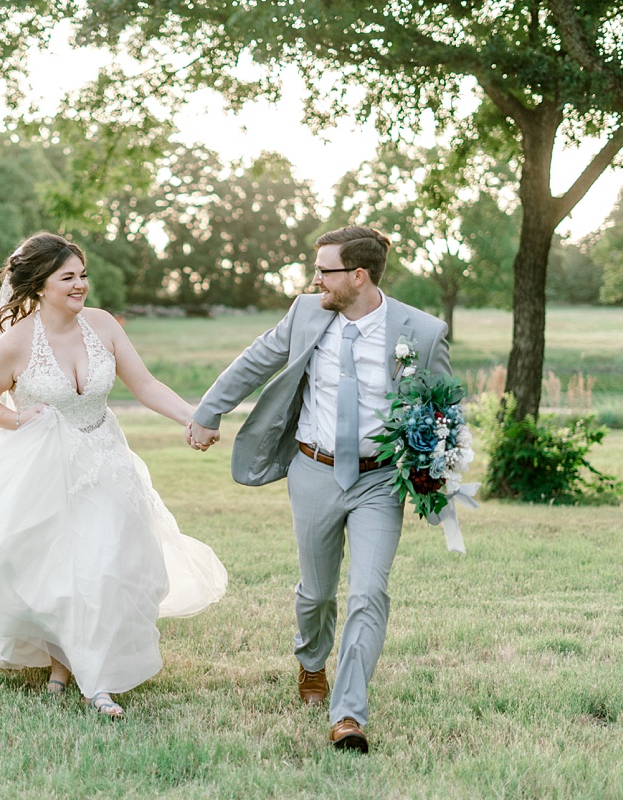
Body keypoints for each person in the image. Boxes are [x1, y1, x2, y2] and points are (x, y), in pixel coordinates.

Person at [0, 232, 227, 720]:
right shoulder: (16, 342)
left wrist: (192, 417)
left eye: (82, 275)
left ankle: (92, 678)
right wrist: (19, 418)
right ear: (39, 285)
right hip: (44, 465)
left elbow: (146, 384)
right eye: (67, 277)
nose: (80, 285)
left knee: (106, 563)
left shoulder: (103, 325)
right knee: (56, 569)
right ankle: (68, 669)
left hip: (105, 460)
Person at [187, 225, 450, 752]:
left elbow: (442, 404)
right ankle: (311, 664)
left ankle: (348, 715)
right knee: (317, 593)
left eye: (323, 271)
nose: (314, 280)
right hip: (313, 469)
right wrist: (208, 411)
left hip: (380, 479)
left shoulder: (420, 331)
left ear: (358, 275)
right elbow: (256, 361)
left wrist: (432, 471)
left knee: (369, 592)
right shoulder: (307, 313)